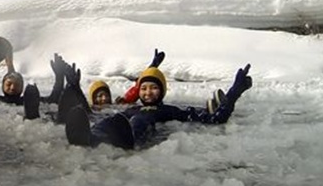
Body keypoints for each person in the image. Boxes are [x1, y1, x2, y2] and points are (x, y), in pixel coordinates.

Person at [64, 64, 253, 150]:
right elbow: (95, 113)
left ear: (162, 91)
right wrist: (75, 91)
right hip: (123, 126)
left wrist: (235, 92)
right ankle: (91, 137)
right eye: (144, 88)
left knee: (137, 120)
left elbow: (213, 118)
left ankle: (128, 140)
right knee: (111, 119)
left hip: (139, 135)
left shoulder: (168, 110)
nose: (147, 93)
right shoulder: (132, 108)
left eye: (153, 88)